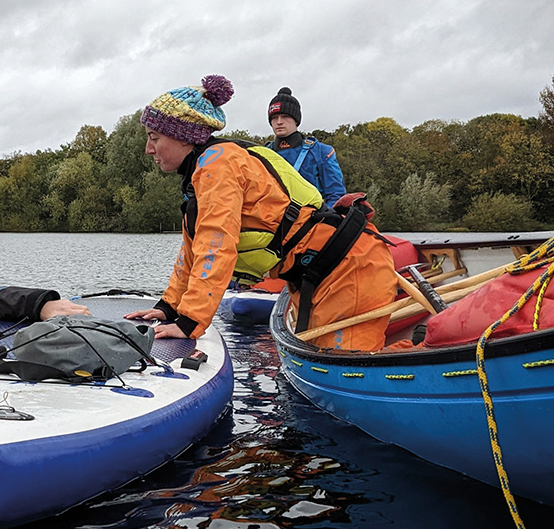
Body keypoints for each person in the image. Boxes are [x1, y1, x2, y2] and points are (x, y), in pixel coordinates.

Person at [124, 75, 397, 351]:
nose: (148, 149)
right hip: (319, 274)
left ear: (183, 137)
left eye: (154, 138)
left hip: (349, 269)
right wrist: (170, 306)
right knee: (327, 359)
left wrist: (189, 321)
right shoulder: (204, 168)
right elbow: (192, 248)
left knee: (349, 369)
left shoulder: (218, 166)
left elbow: (215, 246)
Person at [262, 87, 346, 209]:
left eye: (285, 116)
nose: (279, 122)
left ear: (296, 120)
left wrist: (323, 221)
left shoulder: (322, 152)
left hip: (311, 223)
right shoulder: (262, 155)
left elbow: (336, 196)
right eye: (274, 117)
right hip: (270, 223)